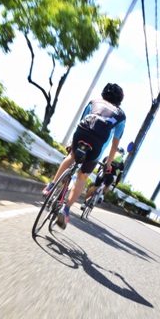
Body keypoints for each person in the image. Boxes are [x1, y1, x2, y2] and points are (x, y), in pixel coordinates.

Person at [43, 83, 126, 229]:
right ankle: (66, 209)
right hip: (97, 145)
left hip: (81, 134)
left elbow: (81, 122)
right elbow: (114, 145)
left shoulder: (94, 102)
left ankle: (51, 186)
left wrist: (71, 144)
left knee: (71, 156)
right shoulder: (120, 115)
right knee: (82, 176)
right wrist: (108, 164)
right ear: (119, 101)